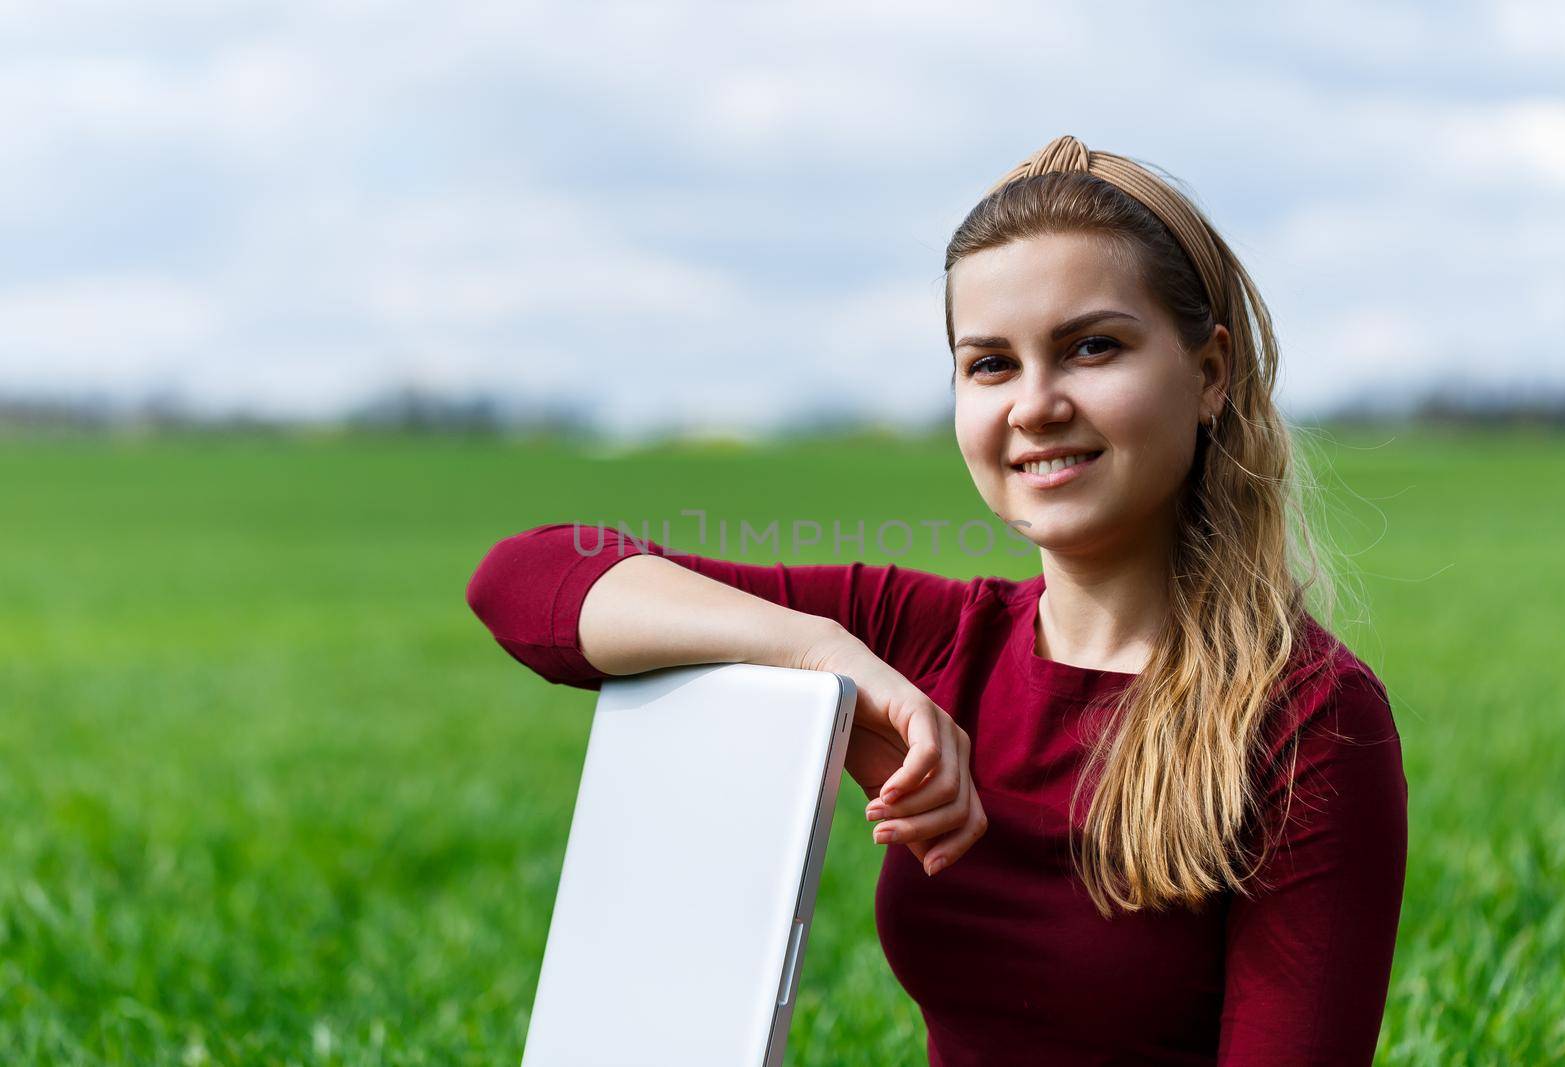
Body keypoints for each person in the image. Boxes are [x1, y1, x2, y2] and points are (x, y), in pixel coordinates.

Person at [464, 134, 1408, 1066]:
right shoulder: (928, 640)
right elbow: (524, 581)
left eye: (1091, 347)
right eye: (990, 363)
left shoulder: (1309, 718)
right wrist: (829, 658)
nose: (1035, 403)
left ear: (1208, 374)